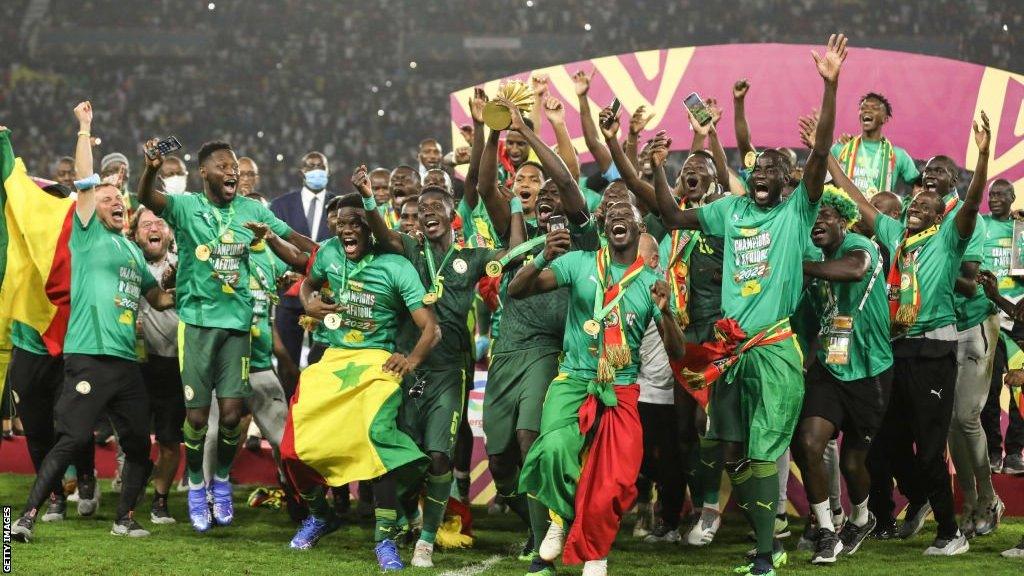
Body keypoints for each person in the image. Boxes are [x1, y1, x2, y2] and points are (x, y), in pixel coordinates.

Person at [652, 34, 846, 576]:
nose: (761, 171)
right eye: (756, 166)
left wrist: (830, 86)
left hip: (776, 350)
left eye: (772, 168)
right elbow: (674, 217)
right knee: (728, 450)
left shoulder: (796, 213)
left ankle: (766, 550)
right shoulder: (731, 211)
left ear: (789, 182)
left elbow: (822, 152)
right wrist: (652, 170)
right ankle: (769, 540)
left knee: (762, 454)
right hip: (731, 350)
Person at [10, 103, 176, 542]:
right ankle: (24, 518)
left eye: (119, 199)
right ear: (90, 206)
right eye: (106, 199)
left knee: (140, 443)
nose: (116, 201)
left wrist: (182, 285)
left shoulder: (132, 253)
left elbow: (157, 298)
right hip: (87, 357)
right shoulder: (87, 234)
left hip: (124, 363)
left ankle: (124, 518)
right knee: (70, 439)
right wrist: (85, 128)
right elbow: (85, 179)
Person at [136, 137, 317, 533]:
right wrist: (151, 167)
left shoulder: (252, 209)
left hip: (237, 325)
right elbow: (148, 196)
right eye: (222, 165)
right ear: (204, 172)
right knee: (199, 419)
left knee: (234, 415)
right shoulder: (186, 207)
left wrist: (327, 253)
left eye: (234, 165)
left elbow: (293, 239)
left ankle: (219, 479)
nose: (231, 170)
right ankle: (198, 485)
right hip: (198, 324)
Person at [512, 202, 684, 576]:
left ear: (640, 230)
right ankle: (561, 522)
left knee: (614, 483)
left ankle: (596, 554)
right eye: (612, 217)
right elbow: (516, 289)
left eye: (628, 215)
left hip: (621, 389)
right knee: (554, 451)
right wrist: (542, 257)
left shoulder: (647, 284)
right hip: (574, 379)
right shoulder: (580, 263)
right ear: (604, 228)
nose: (619, 218)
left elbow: (678, 351)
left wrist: (666, 311)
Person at [846, 113, 991, 555]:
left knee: (930, 447)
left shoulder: (948, 240)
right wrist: (823, 153)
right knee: (885, 440)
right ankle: (922, 499)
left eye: (928, 208)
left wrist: (983, 156)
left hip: (934, 350)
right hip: (896, 349)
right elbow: (858, 200)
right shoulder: (896, 237)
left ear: (939, 216)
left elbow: (969, 206)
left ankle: (951, 533)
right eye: (914, 206)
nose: (917, 210)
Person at [356, 166, 509, 567]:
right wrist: (370, 198)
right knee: (405, 455)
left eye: (435, 206)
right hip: (404, 368)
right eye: (421, 208)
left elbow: (510, 255)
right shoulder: (408, 249)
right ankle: (407, 516)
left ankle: (426, 539)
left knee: (440, 455)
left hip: (448, 372)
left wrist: (521, 222)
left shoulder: (470, 259)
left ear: (452, 213)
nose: (426, 213)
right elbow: (385, 235)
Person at [278, 193, 438, 572]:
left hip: (376, 363)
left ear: (370, 228)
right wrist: (308, 300)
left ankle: (386, 538)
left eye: (355, 223)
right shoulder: (330, 252)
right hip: (332, 361)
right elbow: (308, 283)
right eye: (341, 223)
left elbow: (431, 327)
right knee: (291, 448)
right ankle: (320, 515)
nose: (346, 229)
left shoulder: (396, 266)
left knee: (375, 441)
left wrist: (411, 359)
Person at [476, 97, 600, 572]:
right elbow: (485, 183)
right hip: (506, 352)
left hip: (551, 351)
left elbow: (568, 181)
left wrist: (528, 133)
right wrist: (493, 131)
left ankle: (541, 543)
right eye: (535, 194)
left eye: (553, 197)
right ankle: (536, 516)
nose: (546, 199)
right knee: (501, 457)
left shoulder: (578, 238)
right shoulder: (515, 236)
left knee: (531, 438)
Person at [792, 186, 893, 565]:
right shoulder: (812, 258)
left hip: (872, 370)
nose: (818, 222)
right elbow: (805, 322)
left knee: (853, 464)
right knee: (810, 442)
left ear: (843, 220)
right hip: (830, 370)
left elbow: (854, 270)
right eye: (813, 217)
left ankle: (862, 517)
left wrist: (800, 266)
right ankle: (826, 532)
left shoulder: (860, 245)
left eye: (826, 216)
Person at [131, 207, 184, 525]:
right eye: (146, 224)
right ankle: (132, 491)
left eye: (160, 223)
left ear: (170, 233)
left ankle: (160, 502)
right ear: (135, 233)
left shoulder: (185, 265)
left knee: (168, 438)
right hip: (136, 365)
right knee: (133, 437)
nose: (154, 228)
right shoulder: (125, 264)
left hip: (175, 365)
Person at [269, 151, 337, 370]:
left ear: (328, 171)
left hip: (329, 299)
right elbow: (272, 245)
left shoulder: (339, 206)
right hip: (289, 296)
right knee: (287, 361)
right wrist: (286, 271)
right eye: (311, 166)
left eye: (321, 166)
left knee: (325, 363)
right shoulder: (281, 205)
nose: (316, 169)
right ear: (302, 172)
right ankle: (291, 402)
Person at [980, 179, 1024, 476]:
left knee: (1021, 389)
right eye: (991, 194)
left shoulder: (1021, 229)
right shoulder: (978, 224)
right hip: (986, 317)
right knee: (990, 389)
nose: (994, 198)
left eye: (1000, 194)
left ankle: (1015, 454)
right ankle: (993, 452)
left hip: (1018, 319)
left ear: (1012, 197)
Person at [830, 92, 918, 196]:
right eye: (863, 108)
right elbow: (821, 181)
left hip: (877, 210)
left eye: (875, 108)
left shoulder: (898, 155)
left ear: (885, 119)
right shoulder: (840, 149)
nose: (867, 110)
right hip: (844, 209)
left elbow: (919, 184)